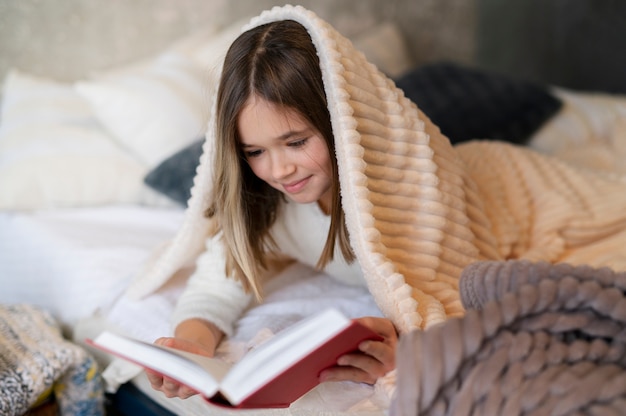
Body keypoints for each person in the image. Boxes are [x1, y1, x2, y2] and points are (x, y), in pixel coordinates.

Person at [146, 18, 398, 400]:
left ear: (340, 121)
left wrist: (412, 343)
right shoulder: (268, 204)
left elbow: (448, 291)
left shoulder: (398, 199)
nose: (279, 171)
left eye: (296, 141)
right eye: (255, 151)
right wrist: (193, 348)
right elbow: (215, 288)